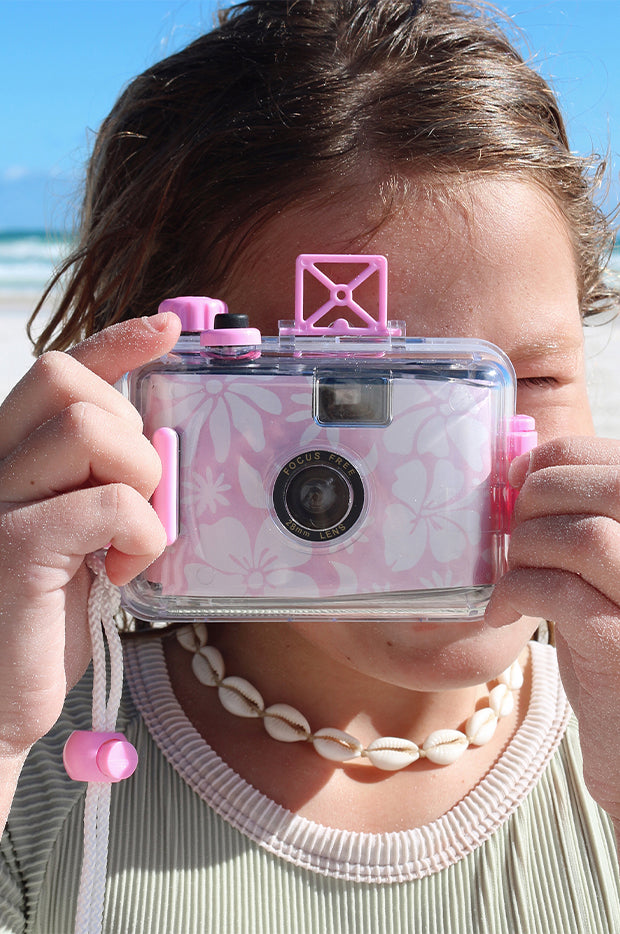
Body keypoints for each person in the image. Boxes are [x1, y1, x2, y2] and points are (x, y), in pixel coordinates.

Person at [1, 1, 620, 931]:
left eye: (520, 378)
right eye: (348, 391)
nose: (442, 470)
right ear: (161, 400)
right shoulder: (55, 744)